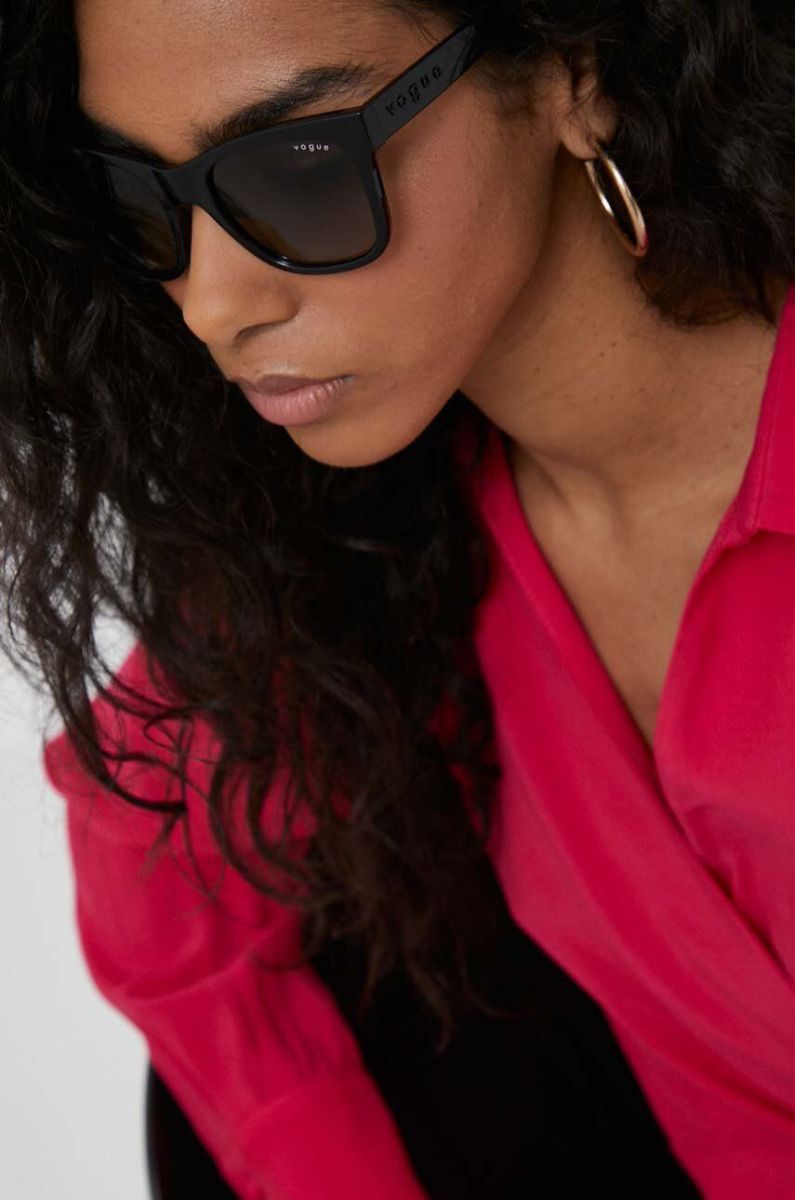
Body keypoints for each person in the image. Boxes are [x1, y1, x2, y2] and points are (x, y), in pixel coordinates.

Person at [0, 0, 792, 1196]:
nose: (213, 303)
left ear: (577, 71)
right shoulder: (391, 544)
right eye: (145, 201)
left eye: (300, 171)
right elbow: (156, 846)